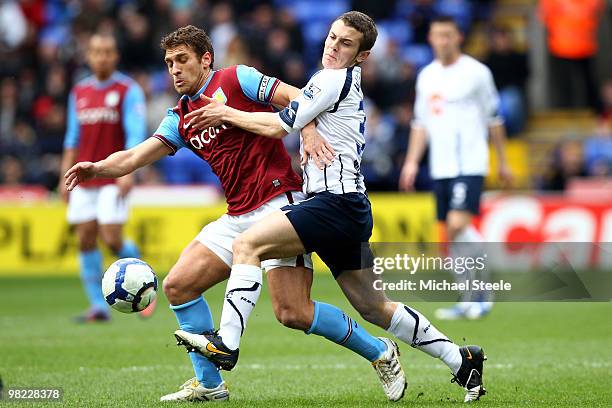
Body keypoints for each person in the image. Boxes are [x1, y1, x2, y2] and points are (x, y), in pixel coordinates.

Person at [65, 25, 403, 402]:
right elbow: (132, 157)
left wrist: (306, 131)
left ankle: (380, 352)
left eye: (182, 60)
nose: (174, 70)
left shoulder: (236, 78)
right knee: (178, 286)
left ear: (205, 59)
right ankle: (210, 385)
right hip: (237, 213)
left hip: (279, 203)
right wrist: (97, 168)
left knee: (293, 312)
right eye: (169, 63)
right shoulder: (180, 117)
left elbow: (298, 97)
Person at [176, 11, 486, 403]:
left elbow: (275, 126)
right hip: (350, 206)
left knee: (247, 246)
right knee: (374, 307)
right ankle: (462, 359)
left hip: (333, 204)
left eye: (346, 44)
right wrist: (307, 130)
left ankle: (226, 344)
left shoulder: (330, 79)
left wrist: (225, 112)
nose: (333, 47)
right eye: (332, 37)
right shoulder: (339, 81)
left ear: (362, 56)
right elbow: (298, 118)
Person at [399, 16, 512, 320]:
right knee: (451, 232)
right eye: (437, 35)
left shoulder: (477, 73)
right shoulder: (427, 77)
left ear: (458, 37)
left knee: (458, 224)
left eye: (448, 35)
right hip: (441, 166)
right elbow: (420, 124)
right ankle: (467, 300)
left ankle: (484, 293)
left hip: (471, 161)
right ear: (431, 39)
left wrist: (503, 161)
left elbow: (494, 119)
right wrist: (411, 161)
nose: (443, 41)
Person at [58, 33, 148, 323]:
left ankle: (145, 283)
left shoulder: (127, 89)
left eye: (107, 51)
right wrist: (64, 175)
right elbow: (72, 137)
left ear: (115, 56)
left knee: (111, 238)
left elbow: (135, 133)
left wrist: (127, 172)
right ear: (89, 56)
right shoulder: (79, 92)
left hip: (112, 174)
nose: (102, 57)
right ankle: (98, 306)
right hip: (84, 177)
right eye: (97, 52)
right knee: (85, 238)